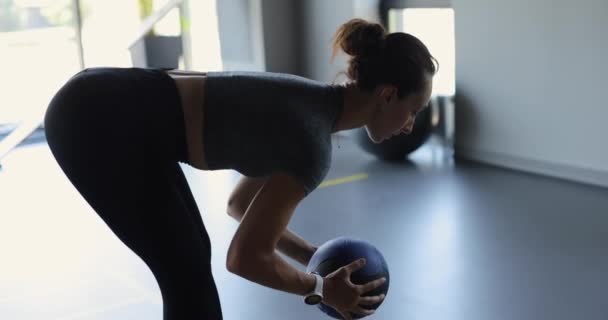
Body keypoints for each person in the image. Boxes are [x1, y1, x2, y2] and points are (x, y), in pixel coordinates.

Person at [43, 18, 437, 320]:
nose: (410, 125)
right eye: (413, 110)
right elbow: (245, 257)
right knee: (188, 276)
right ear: (388, 94)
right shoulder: (311, 142)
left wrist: (311, 254)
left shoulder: (312, 106)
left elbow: (238, 205)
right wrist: (321, 287)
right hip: (97, 118)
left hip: (106, 106)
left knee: (191, 264)